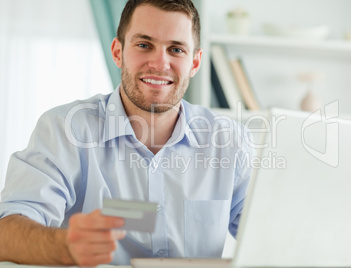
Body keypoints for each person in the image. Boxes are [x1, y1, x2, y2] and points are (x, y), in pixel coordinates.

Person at [0, 0, 254, 266]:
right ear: (118, 52)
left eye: (176, 49)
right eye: (144, 45)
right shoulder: (66, 130)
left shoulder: (230, 142)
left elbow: (272, 236)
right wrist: (64, 246)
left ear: (195, 62)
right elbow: (7, 232)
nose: (160, 63)